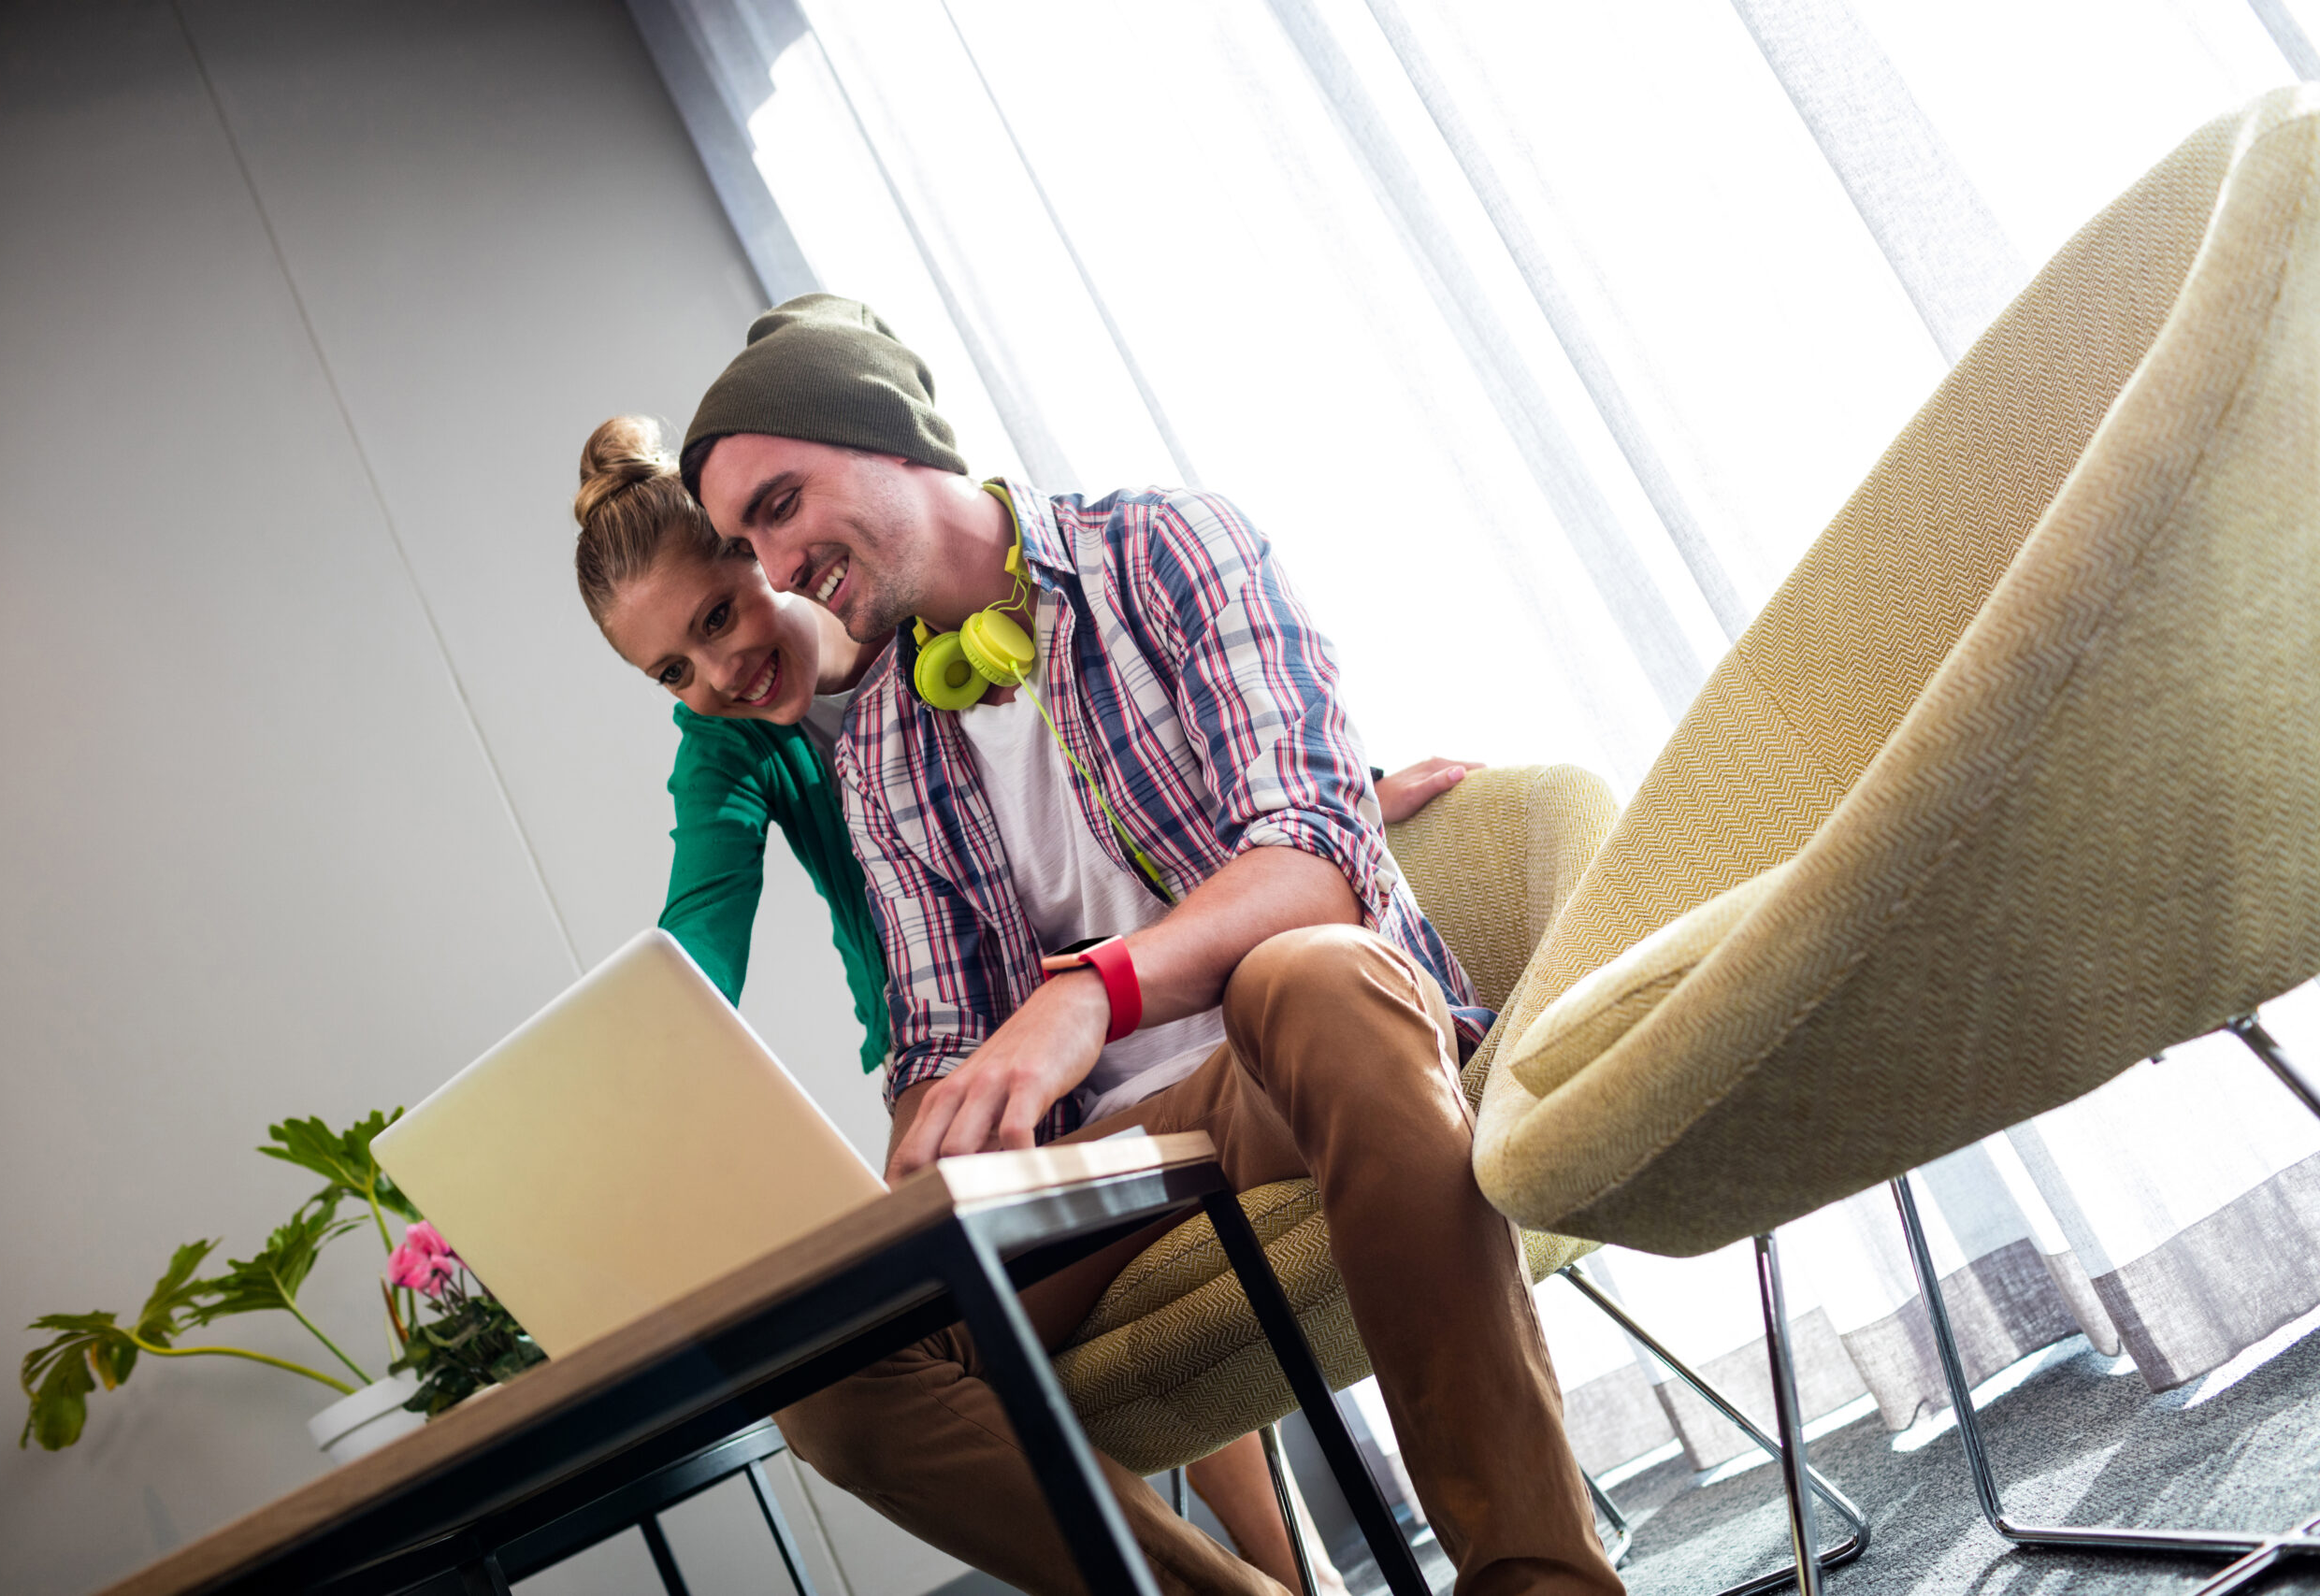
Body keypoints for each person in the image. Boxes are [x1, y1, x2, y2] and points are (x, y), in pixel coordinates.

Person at [674, 294, 1622, 1596]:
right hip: (1099, 1164)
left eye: (778, 505)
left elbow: (1311, 868)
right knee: (827, 1370)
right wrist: (930, 1125)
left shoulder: (1166, 546)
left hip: (1304, 1053)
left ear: (889, 436)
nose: (773, 568)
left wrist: (1084, 997)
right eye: (744, 541)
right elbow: (945, 1039)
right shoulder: (886, 746)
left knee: (1313, 976)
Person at [569, 414, 1477, 1595]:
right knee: (879, 1328)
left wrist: (1327, 815)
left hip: (1122, 1005)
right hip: (962, 1032)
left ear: (766, 556)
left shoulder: (982, 619)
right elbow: (706, 922)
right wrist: (642, 1071)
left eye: (716, 619)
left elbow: (1152, 786)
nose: (717, 675)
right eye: (673, 674)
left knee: (1247, 1065)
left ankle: (1314, 1567)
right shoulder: (747, 748)